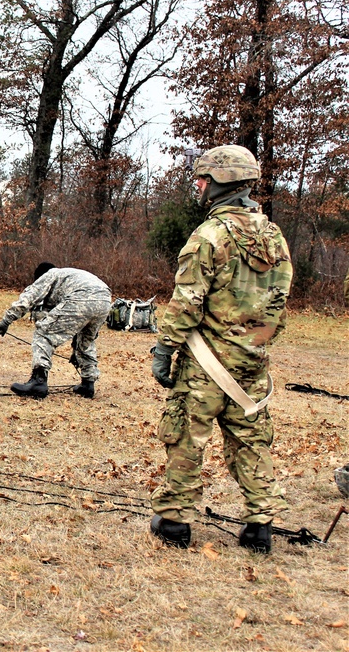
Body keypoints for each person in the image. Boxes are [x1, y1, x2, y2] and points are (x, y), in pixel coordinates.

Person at [149, 144, 292, 554]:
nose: (197, 184)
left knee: (186, 437)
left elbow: (187, 301)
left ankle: (175, 521)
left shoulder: (210, 235)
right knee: (251, 441)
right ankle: (259, 525)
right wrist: (252, 347)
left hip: (206, 363)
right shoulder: (274, 236)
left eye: (203, 178)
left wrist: (164, 350)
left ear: (219, 183)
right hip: (251, 363)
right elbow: (278, 305)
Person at [0, 263, 112, 399]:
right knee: (86, 340)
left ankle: (38, 381)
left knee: (43, 332)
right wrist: (76, 350)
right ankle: (88, 384)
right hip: (105, 299)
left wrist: (6, 321)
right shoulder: (69, 276)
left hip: (82, 297)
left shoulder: (49, 275)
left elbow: (29, 297)